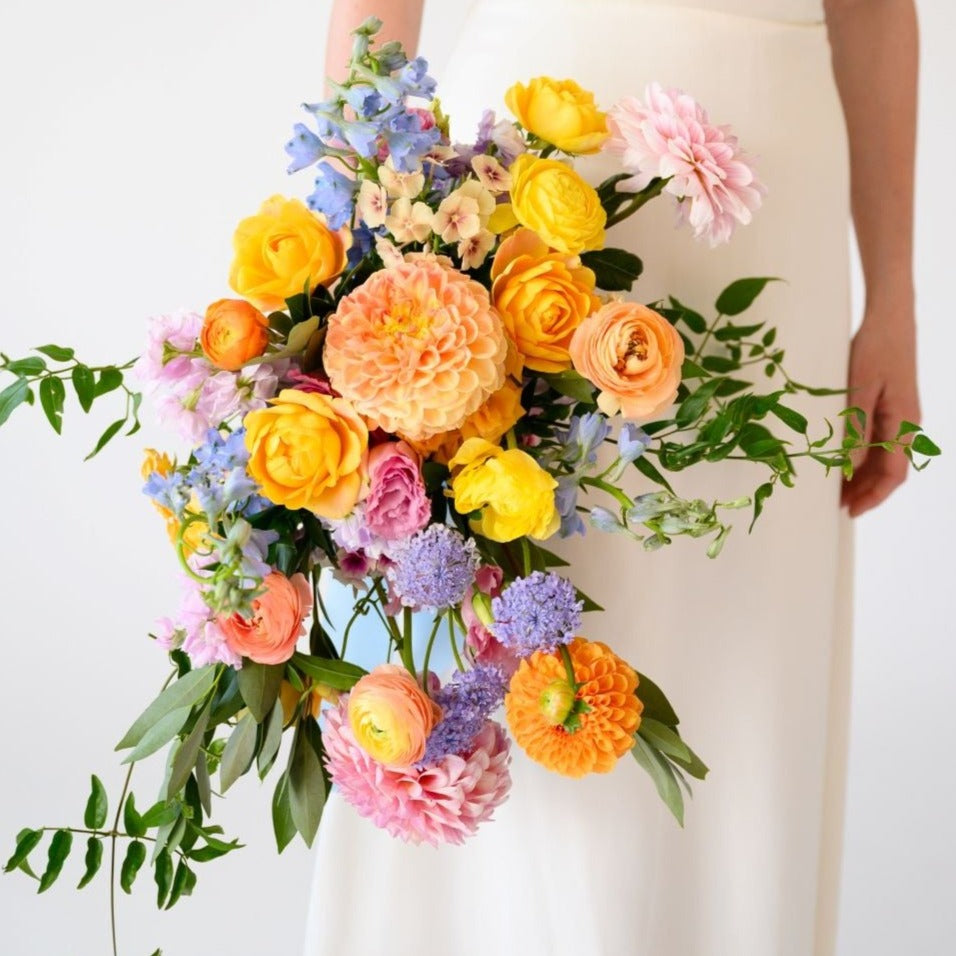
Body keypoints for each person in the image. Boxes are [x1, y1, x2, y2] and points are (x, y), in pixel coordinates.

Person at [305, 1, 921, 954]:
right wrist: (354, 230)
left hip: (777, 191)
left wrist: (894, 298)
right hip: (536, 153)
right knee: (509, 626)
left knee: (739, 652)